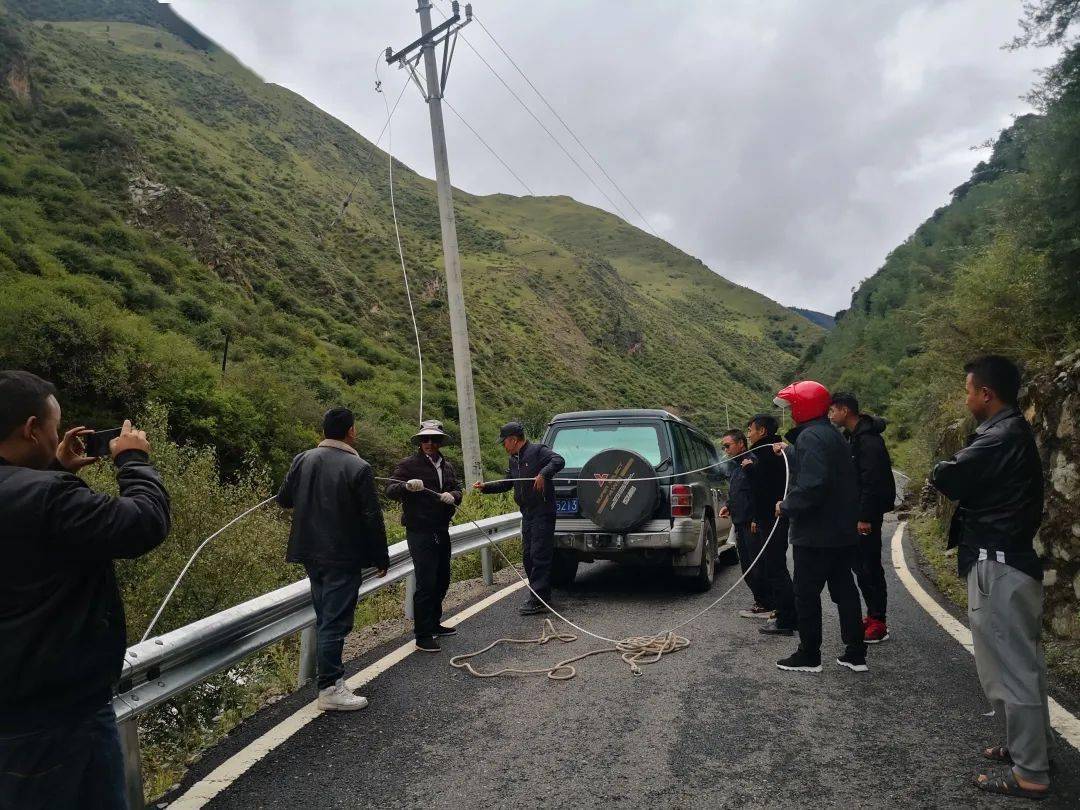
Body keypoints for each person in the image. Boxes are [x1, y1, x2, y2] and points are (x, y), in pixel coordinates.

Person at [0, 370, 171, 809]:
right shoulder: (48, 497)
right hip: (56, 719)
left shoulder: (34, 494)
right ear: (32, 429)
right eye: (54, 426)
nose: (59, 434)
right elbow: (144, 523)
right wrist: (133, 461)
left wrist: (55, 467)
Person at [930, 355, 1052, 801]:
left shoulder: (998, 436)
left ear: (986, 393)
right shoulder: (1014, 432)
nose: (965, 399)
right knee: (1027, 663)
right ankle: (1032, 749)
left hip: (995, 562)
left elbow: (950, 474)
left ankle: (1031, 773)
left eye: (968, 391)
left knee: (1009, 668)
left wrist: (939, 467)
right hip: (1013, 559)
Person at [277, 407, 389, 712]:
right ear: (351, 431)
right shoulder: (358, 467)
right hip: (342, 554)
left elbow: (284, 498)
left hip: (309, 551)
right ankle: (329, 687)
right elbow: (371, 517)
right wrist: (380, 556)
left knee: (325, 615)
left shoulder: (303, 458)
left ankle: (329, 681)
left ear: (324, 430)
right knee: (335, 622)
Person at [772, 381, 867, 674]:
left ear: (803, 406)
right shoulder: (832, 435)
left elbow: (813, 484)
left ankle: (809, 654)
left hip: (815, 534)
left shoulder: (810, 437)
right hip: (841, 531)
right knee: (845, 592)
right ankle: (855, 653)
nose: (789, 412)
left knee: (806, 594)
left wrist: (785, 506)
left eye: (791, 407)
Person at [385, 420, 463, 654]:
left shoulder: (447, 466)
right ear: (420, 441)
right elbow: (390, 490)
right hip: (420, 531)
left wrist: (454, 495)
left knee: (442, 578)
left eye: (434, 439)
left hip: (441, 529)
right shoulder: (408, 465)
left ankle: (434, 623)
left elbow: (458, 488)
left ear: (440, 442)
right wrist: (407, 487)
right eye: (425, 439)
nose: (429, 443)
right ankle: (422, 634)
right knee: (426, 582)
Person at [474, 422, 565, 615]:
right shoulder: (513, 460)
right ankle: (538, 595)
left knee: (539, 555)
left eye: (504, 442)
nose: (503, 446)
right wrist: (486, 488)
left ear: (513, 440)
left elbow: (558, 460)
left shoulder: (538, 451)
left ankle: (539, 599)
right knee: (527, 556)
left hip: (543, 512)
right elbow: (507, 484)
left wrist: (543, 473)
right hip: (528, 513)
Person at [828, 392, 896, 644]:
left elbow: (871, 481)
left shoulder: (868, 441)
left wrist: (865, 516)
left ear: (845, 410)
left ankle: (879, 621)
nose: (831, 415)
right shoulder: (853, 437)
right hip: (856, 514)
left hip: (865, 516)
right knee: (861, 567)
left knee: (869, 567)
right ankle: (873, 615)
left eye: (833, 410)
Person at [743, 413, 797, 635]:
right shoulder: (769, 450)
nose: (748, 433)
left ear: (762, 431)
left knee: (775, 568)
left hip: (773, 518)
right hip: (770, 517)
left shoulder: (767, 452)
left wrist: (749, 469)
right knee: (773, 566)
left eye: (750, 430)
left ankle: (787, 618)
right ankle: (785, 613)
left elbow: (764, 487)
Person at [719, 429, 771, 617]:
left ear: (741, 443)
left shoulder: (753, 462)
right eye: (723, 447)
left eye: (728, 446)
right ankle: (762, 601)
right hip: (740, 521)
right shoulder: (736, 465)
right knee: (747, 566)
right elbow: (739, 490)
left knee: (757, 565)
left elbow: (760, 491)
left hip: (752, 523)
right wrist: (729, 506)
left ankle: (767, 603)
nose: (725, 450)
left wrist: (757, 517)